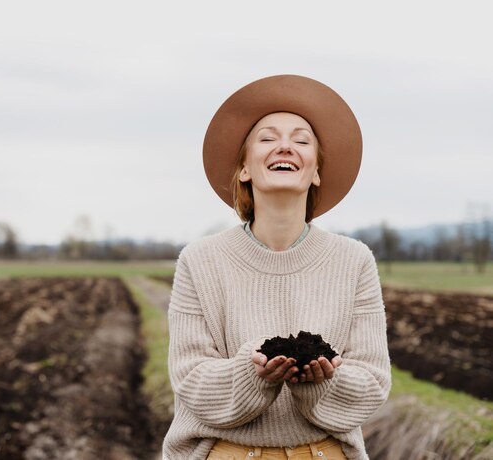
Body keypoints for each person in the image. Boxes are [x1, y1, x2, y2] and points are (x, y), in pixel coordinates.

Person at [162, 75, 391, 460]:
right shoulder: (200, 260)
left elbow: (372, 382)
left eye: (301, 140)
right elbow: (190, 379)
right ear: (244, 169)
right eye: (267, 138)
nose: (285, 146)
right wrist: (253, 371)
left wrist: (318, 381)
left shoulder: (354, 261)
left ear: (316, 170)